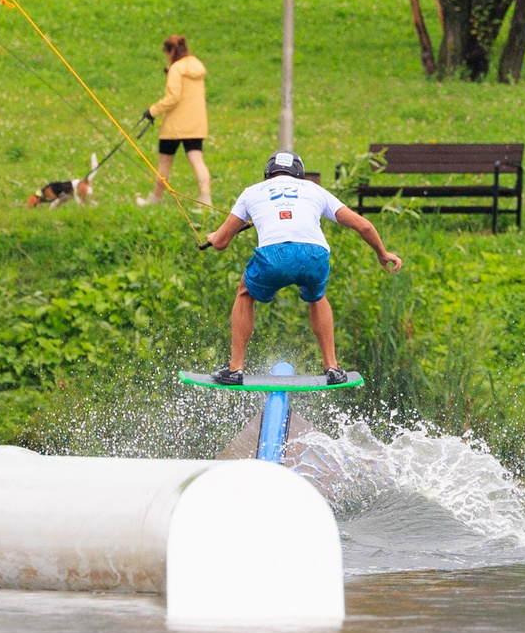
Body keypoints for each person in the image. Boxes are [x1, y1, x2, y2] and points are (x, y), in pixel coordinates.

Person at [197, 151, 401, 386]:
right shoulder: (314, 190)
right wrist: (382, 253)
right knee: (317, 297)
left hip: (274, 256)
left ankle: (235, 369)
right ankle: (332, 367)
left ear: (268, 173)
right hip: (314, 255)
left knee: (245, 292)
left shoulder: (252, 192)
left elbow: (221, 242)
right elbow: (363, 226)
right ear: (299, 174)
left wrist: (213, 236)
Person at [141, 34, 212, 208]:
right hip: (196, 124)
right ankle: (206, 197)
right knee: (197, 161)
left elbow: (173, 98)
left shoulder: (176, 69)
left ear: (170, 51)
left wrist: (152, 111)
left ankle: (156, 198)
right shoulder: (197, 66)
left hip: (174, 126)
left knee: (164, 164)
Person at [24, 152, 98, 208]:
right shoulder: (47, 190)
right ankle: (96, 206)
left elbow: (56, 200)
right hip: (76, 186)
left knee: (82, 205)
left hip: (76, 187)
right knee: (87, 202)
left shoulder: (48, 192)